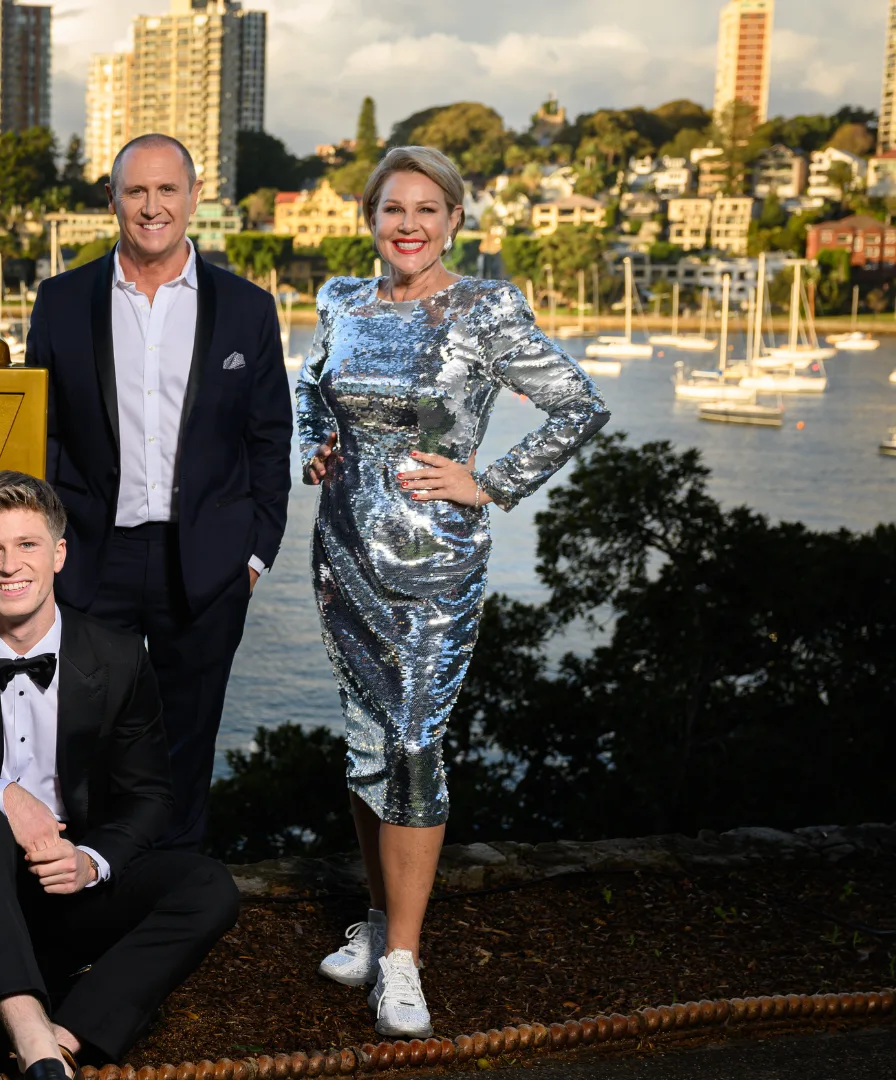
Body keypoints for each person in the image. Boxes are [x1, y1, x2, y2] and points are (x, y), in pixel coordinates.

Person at [299, 146, 610, 1038]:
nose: (408, 225)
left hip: (436, 561)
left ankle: (403, 958)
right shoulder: (342, 302)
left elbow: (577, 403)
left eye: (427, 210)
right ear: (370, 219)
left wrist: (494, 481)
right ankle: (377, 920)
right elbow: (309, 387)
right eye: (393, 209)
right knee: (367, 742)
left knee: (413, 741)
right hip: (345, 552)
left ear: (454, 222)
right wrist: (317, 443)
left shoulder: (485, 307)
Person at [0, 471, 239, 1078]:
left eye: (27, 545)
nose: (10, 565)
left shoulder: (116, 655)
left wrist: (92, 859)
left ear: (59, 554)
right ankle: (32, 1035)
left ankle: (67, 1034)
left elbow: (150, 795)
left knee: (208, 886)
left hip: (62, 893)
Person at [25, 133, 293, 851]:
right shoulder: (60, 302)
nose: (152, 207)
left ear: (194, 198)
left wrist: (256, 554)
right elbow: (41, 440)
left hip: (205, 563)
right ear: (111, 200)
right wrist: (43, 548)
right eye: (136, 192)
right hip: (88, 558)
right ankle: (81, 899)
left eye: (167, 190)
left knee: (184, 745)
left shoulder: (246, 310)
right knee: (78, 743)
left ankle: (172, 904)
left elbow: (270, 440)